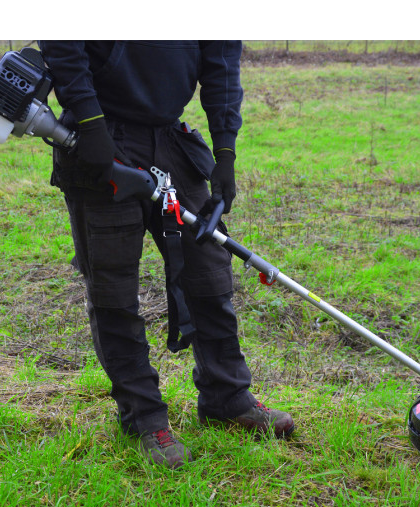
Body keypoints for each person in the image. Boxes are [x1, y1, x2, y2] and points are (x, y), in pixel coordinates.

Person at [38, 40, 295, 469]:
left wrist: (225, 153)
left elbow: (221, 65)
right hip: (99, 137)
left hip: (171, 140)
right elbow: (64, 48)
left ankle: (227, 398)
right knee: (113, 287)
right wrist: (94, 132)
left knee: (210, 271)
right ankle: (144, 419)